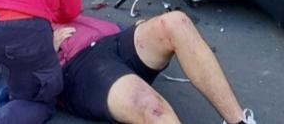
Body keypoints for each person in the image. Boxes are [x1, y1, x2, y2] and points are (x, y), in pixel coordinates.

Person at [48, 12, 257, 124]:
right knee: (150, 106)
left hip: (112, 40)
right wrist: (44, 52)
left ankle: (239, 121)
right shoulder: (18, 16)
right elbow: (20, 83)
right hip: (79, 67)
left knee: (175, 22)